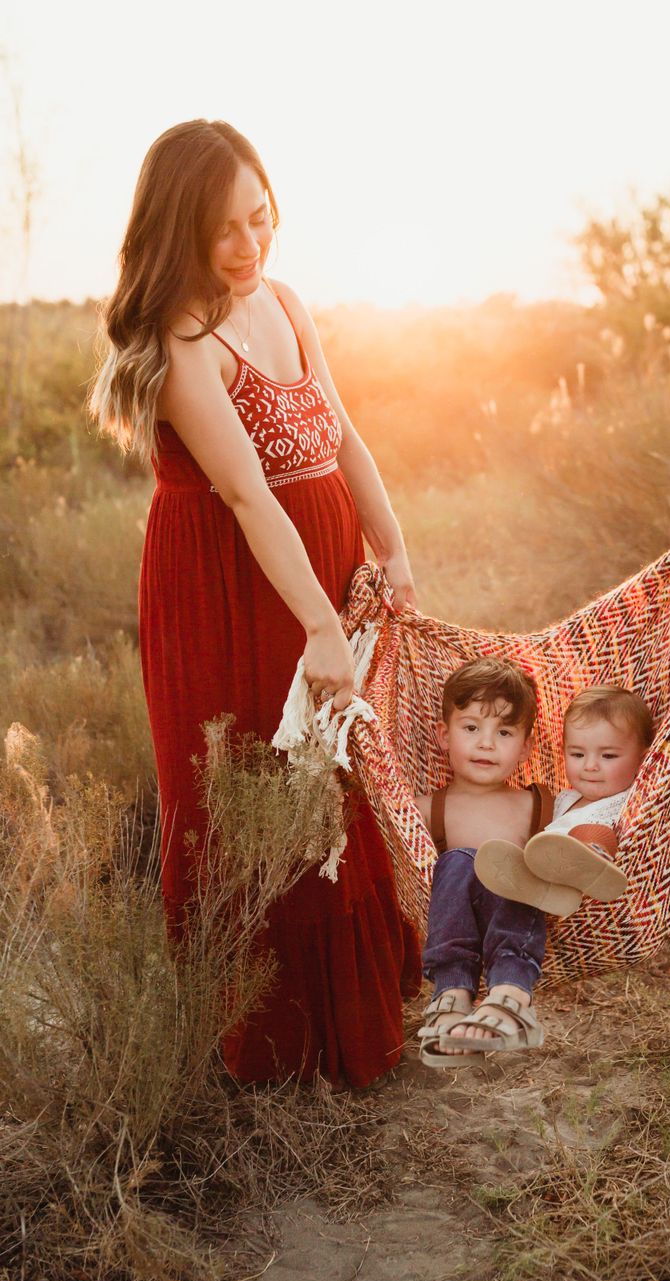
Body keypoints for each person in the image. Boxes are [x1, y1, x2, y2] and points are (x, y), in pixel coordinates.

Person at [90, 119, 421, 1087]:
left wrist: (392, 548)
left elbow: (341, 432)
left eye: (261, 219)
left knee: (335, 776)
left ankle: (351, 1008)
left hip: (318, 557)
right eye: (224, 232)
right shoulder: (180, 338)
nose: (250, 247)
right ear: (176, 233)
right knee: (255, 785)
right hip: (230, 582)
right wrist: (319, 624)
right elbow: (243, 493)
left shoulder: (282, 298)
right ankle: (267, 1036)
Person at [416, 657, 552, 1066]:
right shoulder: (423, 810)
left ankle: (510, 994)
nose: (486, 743)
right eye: (471, 728)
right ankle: (452, 993)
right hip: (455, 929)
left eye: (504, 731)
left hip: (517, 927)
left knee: (520, 866)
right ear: (444, 735)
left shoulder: (538, 805)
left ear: (526, 747)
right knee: (458, 861)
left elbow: (589, 829)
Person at [474, 685, 653, 914]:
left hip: (586, 896)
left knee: (591, 834)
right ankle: (536, 883)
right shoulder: (563, 800)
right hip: (544, 885)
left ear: (642, 759)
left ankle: (587, 862)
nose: (590, 766)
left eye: (608, 756)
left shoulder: (631, 803)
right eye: (577, 754)